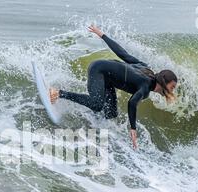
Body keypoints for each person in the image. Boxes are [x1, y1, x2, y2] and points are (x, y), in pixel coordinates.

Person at [49, 25, 178, 149]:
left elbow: (123, 54)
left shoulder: (146, 69)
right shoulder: (145, 87)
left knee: (111, 114)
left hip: (107, 78)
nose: (172, 90)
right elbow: (132, 103)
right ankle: (59, 93)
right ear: (164, 83)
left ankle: (91, 122)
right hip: (98, 70)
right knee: (97, 104)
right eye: (172, 87)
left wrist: (102, 35)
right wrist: (133, 128)